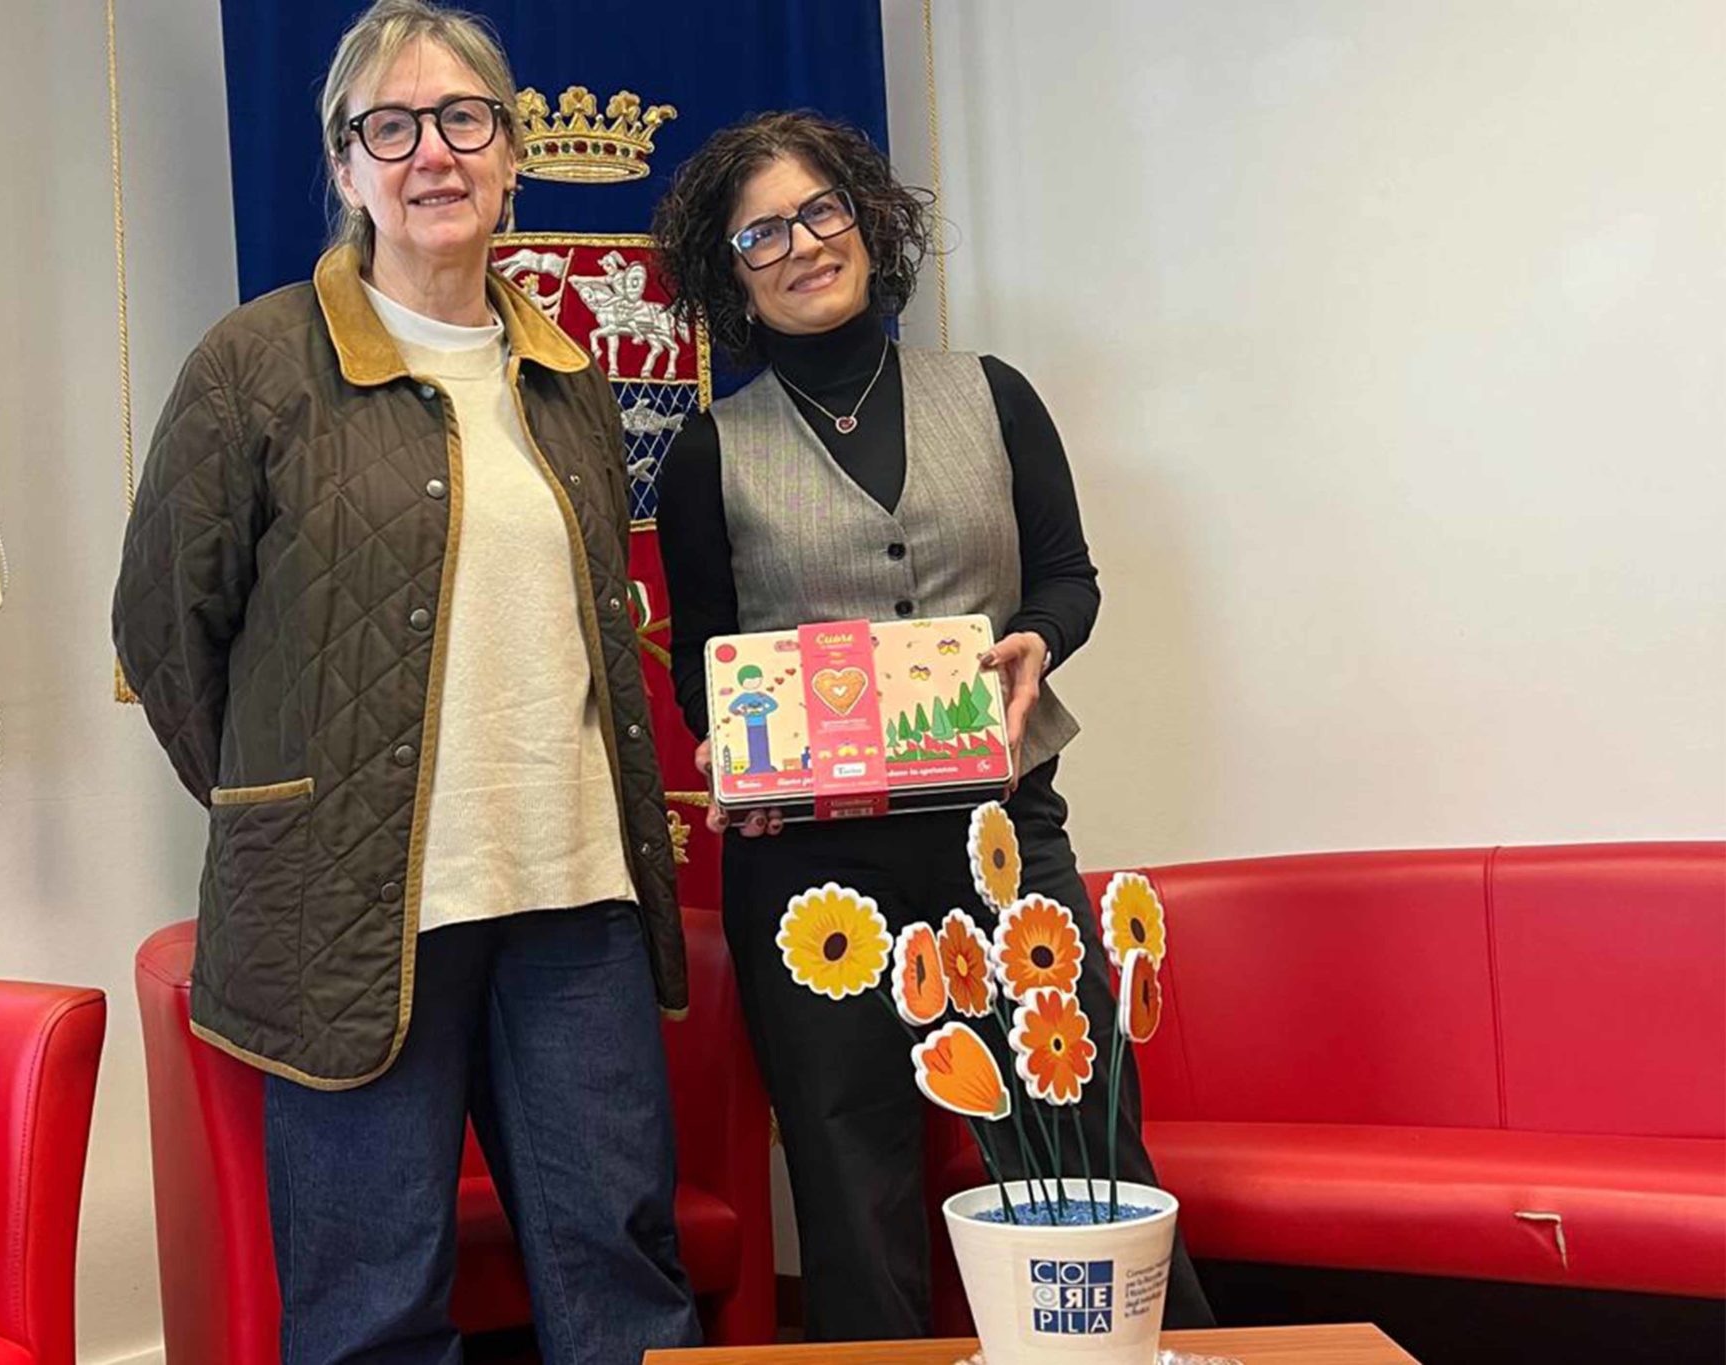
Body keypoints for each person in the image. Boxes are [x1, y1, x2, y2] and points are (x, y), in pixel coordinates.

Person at [111, 4, 699, 1361]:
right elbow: (163, 630)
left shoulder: (568, 378)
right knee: (371, 1300)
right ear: (346, 165)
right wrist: (287, 807)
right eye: (391, 125)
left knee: (623, 1272)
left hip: (574, 897)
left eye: (462, 119)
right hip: (352, 918)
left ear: (509, 156)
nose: (431, 152)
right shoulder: (255, 365)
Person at [651, 110, 1213, 1341]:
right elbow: (703, 654)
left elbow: (1066, 577)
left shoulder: (991, 395)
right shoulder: (706, 451)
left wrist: (1038, 639)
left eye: (820, 211)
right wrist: (726, 738)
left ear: (866, 219)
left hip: (1001, 836)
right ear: (728, 274)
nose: (801, 246)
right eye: (760, 234)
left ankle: (1129, 1353)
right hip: (808, 870)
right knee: (848, 1174)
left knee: (1077, 1132)